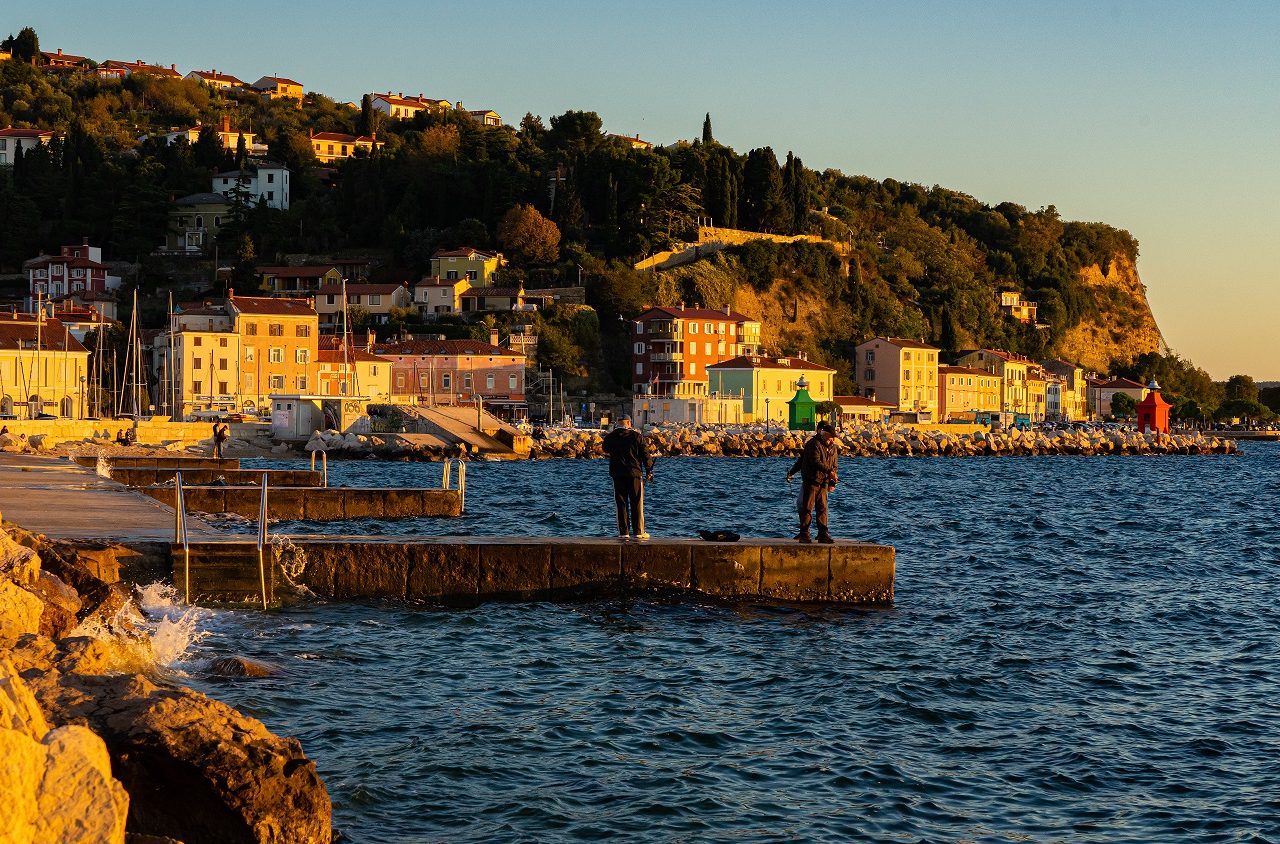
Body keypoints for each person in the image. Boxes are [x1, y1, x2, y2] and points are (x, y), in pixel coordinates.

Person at [785, 421, 839, 544]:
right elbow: (815, 462)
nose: (832, 441)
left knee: (822, 508)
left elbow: (834, 466)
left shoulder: (833, 448)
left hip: (823, 483)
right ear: (823, 434)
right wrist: (792, 472)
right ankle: (804, 534)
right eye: (830, 438)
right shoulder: (813, 444)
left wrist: (832, 482)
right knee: (807, 508)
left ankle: (823, 535)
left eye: (833, 439)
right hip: (811, 481)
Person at [602, 416, 654, 540]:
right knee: (636, 502)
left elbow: (605, 449)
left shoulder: (611, 437)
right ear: (629, 423)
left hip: (617, 474)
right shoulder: (637, 437)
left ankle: (623, 532)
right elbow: (645, 454)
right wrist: (649, 470)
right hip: (635, 473)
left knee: (621, 503)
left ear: (618, 424)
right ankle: (638, 532)